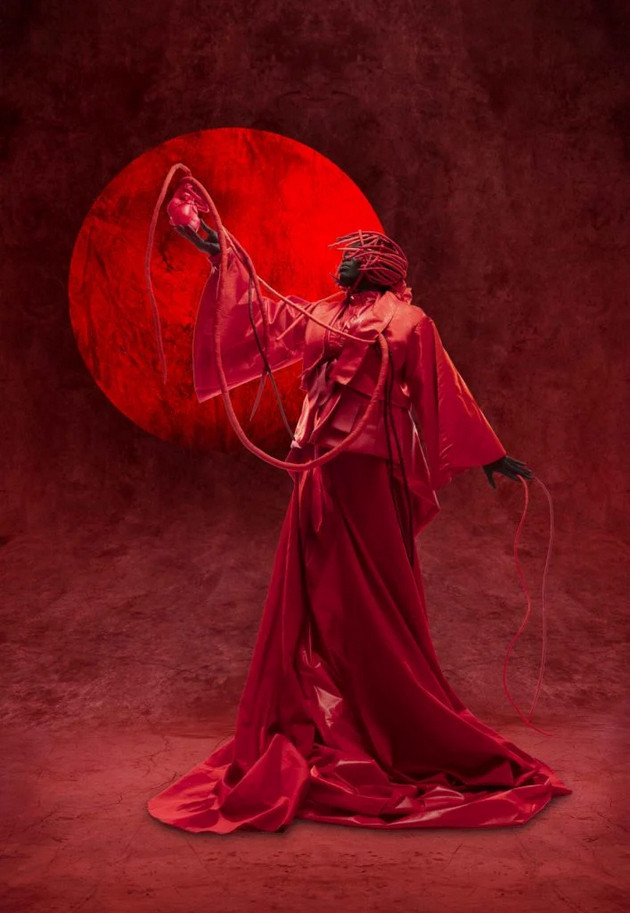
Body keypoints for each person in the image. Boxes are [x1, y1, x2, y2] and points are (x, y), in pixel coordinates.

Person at [147, 215, 571, 834]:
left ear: (380, 265)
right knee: (311, 589)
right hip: (319, 469)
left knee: (375, 597)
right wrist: (222, 256)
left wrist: (488, 453)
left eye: (354, 256)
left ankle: (397, 714)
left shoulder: (409, 322)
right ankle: (314, 714)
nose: (341, 263)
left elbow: (439, 387)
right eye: (343, 257)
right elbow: (263, 318)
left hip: (372, 473)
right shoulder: (323, 311)